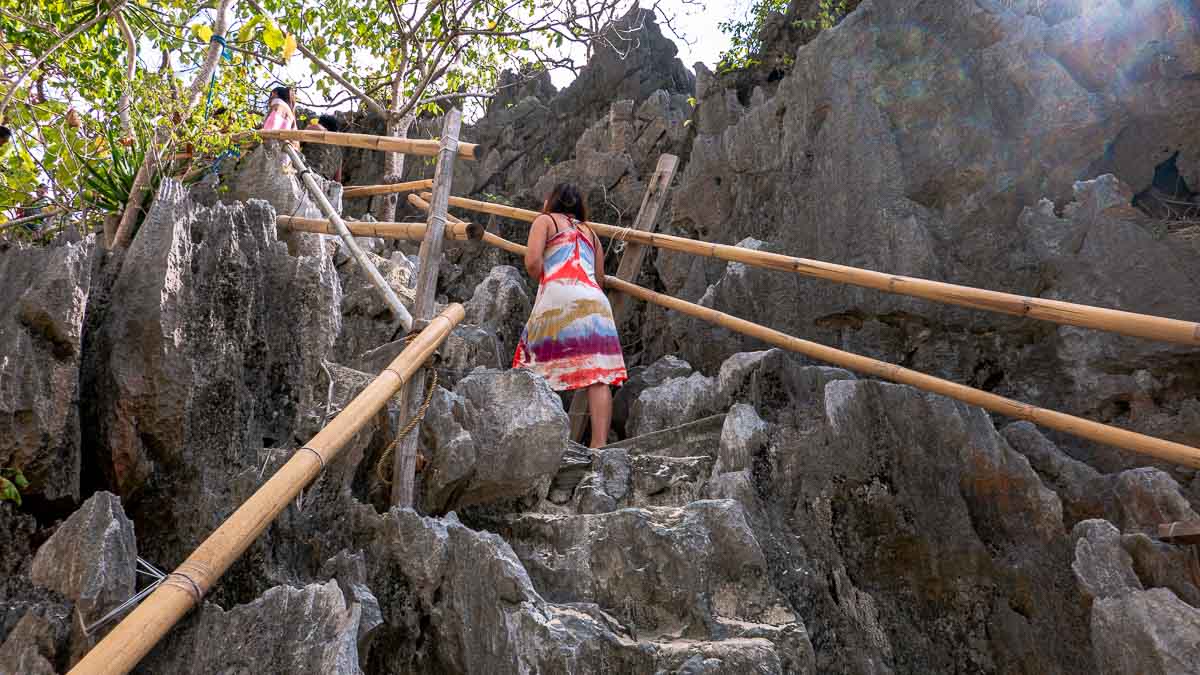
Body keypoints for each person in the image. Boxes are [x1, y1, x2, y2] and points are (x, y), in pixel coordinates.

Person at [513, 183, 627, 447]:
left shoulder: (544, 221)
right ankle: (598, 447)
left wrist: (546, 276)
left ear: (550, 202)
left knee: (533, 367)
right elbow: (599, 278)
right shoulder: (592, 233)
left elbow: (532, 262)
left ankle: (538, 443)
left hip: (559, 295)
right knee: (599, 376)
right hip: (595, 303)